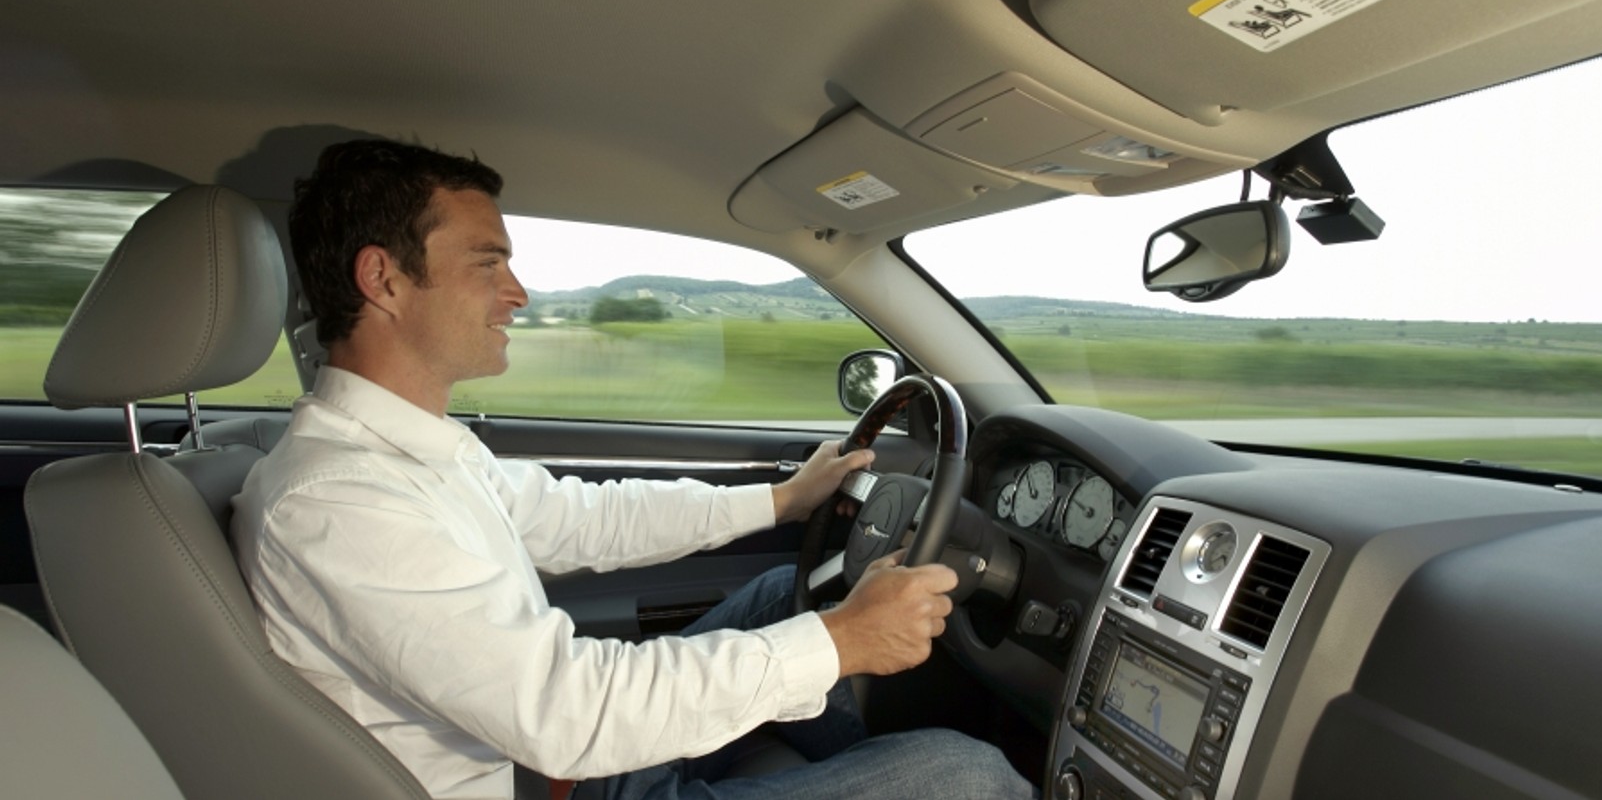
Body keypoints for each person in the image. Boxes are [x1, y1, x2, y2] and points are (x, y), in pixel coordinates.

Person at [232, 139, 1034, 800]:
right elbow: (567, 711)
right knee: (967, 776)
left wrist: (782, 501)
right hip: (545, 776)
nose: (518, 292)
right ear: (383, 279)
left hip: (552, 761)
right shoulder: (337, 502)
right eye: (487, 263)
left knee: (775, 596)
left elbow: (584, 518)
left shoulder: (405, 453)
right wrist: (841, 639)